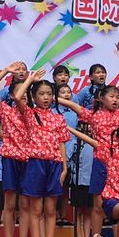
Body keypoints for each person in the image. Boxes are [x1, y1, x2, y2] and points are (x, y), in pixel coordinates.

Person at [58, 66, 119, 237]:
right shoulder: (93, 115)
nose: (115, 100)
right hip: (100, 163)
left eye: (117, 97)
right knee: (97, 205)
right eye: (112, 96)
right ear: (101, 99)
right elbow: (74, 106)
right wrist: (53, 98)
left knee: (118, 203)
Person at [14, 69, 70, 237]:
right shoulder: (30, 114)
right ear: (34, 96)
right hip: (36, 163)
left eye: (49, 94)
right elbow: (17, 97)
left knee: (51, 209)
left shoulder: (59, 118)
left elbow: (62, 143)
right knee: (36, 209)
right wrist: (30, 79)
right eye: (41, 94)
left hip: (54, 164)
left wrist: (64, 168)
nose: (46, 97)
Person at [0, 62, 31, 237]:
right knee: (10, 204)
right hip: (10, 160)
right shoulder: (6, 111)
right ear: (12, 95)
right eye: (20, 92)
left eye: (27, 92)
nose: (24, 95)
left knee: (25, 205)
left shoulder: (33, 114)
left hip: (28, 161)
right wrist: (5, 71)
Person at [53, 83, 78, 226]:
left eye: (68, 92)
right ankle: (54, 215)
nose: (66, 94)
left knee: (65, 189)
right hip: (57, 153)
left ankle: (63, 216)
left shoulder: (74, 113)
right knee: (56, 187)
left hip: (71, 152)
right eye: (63, 92)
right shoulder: (53, 112)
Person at [67, 122, 94, 237]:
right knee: (78, 211)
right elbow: (67, 159)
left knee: (88, 211)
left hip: (90, 181)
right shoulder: (74, 144)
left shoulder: (94, 144)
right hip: (77, 181)